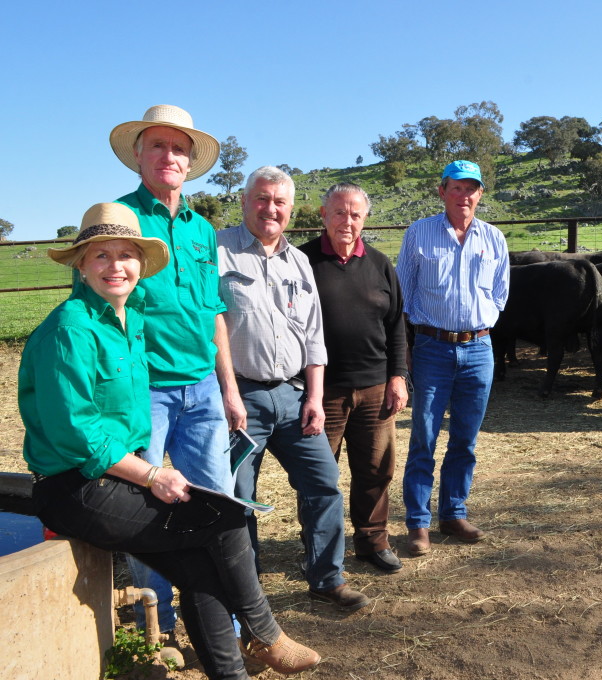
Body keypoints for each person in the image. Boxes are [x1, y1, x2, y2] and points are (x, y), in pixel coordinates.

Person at [19, 203, 319, 680]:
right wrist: (152, 474)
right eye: (101, 255)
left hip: (116, 478)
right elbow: (78, 434)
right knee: (224, 518)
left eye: (126, 255)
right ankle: (265, 634)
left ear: (141, 263)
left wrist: (148, 469)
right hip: (76, 485)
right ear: (80, 264)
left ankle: (234, 670)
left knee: (201, 571)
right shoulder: (70, 330)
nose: (115, 266)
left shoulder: (130, 319)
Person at [110, 104, 244, 634]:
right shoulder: (119, 219)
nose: (170, 156)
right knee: (147, 505)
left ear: (190, 163)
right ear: (139, 156)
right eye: (159, 145)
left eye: (180, 148)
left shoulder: (202, 230)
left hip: (203, 388)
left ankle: (226, 623)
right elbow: (100, 311)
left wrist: (229, 389)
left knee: (216, 503)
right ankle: (155, 624)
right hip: (143, 389)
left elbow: (213, 312)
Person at [217, 167, 368, 610]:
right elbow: (209, 327)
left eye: (280, 202)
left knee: (324, 484)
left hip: (293, 395)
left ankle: (326, 577)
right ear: (245, 201)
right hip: (239, 397)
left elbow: (314, 336)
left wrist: (315, 398)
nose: (271, 209)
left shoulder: (298, 261)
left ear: (290, 209)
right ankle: (246, 590)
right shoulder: (217, 252)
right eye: (262, 199)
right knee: (237, 497)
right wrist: (226, 392)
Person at [396, 160, 509, 556]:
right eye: (456, 188)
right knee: (423, 437)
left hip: (479, 348)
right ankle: (418, 523)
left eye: (471, 188)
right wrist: (409, 344)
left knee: (466, 438)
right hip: (433, 347)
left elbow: (500, 294)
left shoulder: (494, 238)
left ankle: (453, 513)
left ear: (481, 194)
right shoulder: (419, 233)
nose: (464, 196)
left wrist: (481, 324)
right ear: (442, 192)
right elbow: (403, 294)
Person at [298, 183, 408, 574]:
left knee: (376, 469)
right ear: (324, 215)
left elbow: (396, 325)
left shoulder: (380, 264)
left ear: (365, 218)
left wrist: (398, 376)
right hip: (321, 390)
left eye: (355, 214)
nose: (348, 221)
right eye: (339, 213)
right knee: (318, 475)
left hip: (375, 386)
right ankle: (320, 548)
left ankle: (373, 540)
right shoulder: (301, 260)